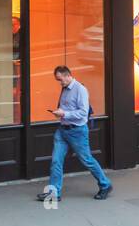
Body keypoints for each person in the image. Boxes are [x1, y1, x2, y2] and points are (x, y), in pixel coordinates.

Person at [37, 66, 112, 202]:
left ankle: (105, 184)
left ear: (67, 75)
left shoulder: (80, 90)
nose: (60, 83)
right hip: (62, 130)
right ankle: (54, 192)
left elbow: (83, 113)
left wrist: (64, 113)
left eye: (60, 80)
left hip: (77, 131)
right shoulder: (64, 89)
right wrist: (59, 112)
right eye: (58, 80)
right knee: (56, 161)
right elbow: (66, 108)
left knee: (87, 160)